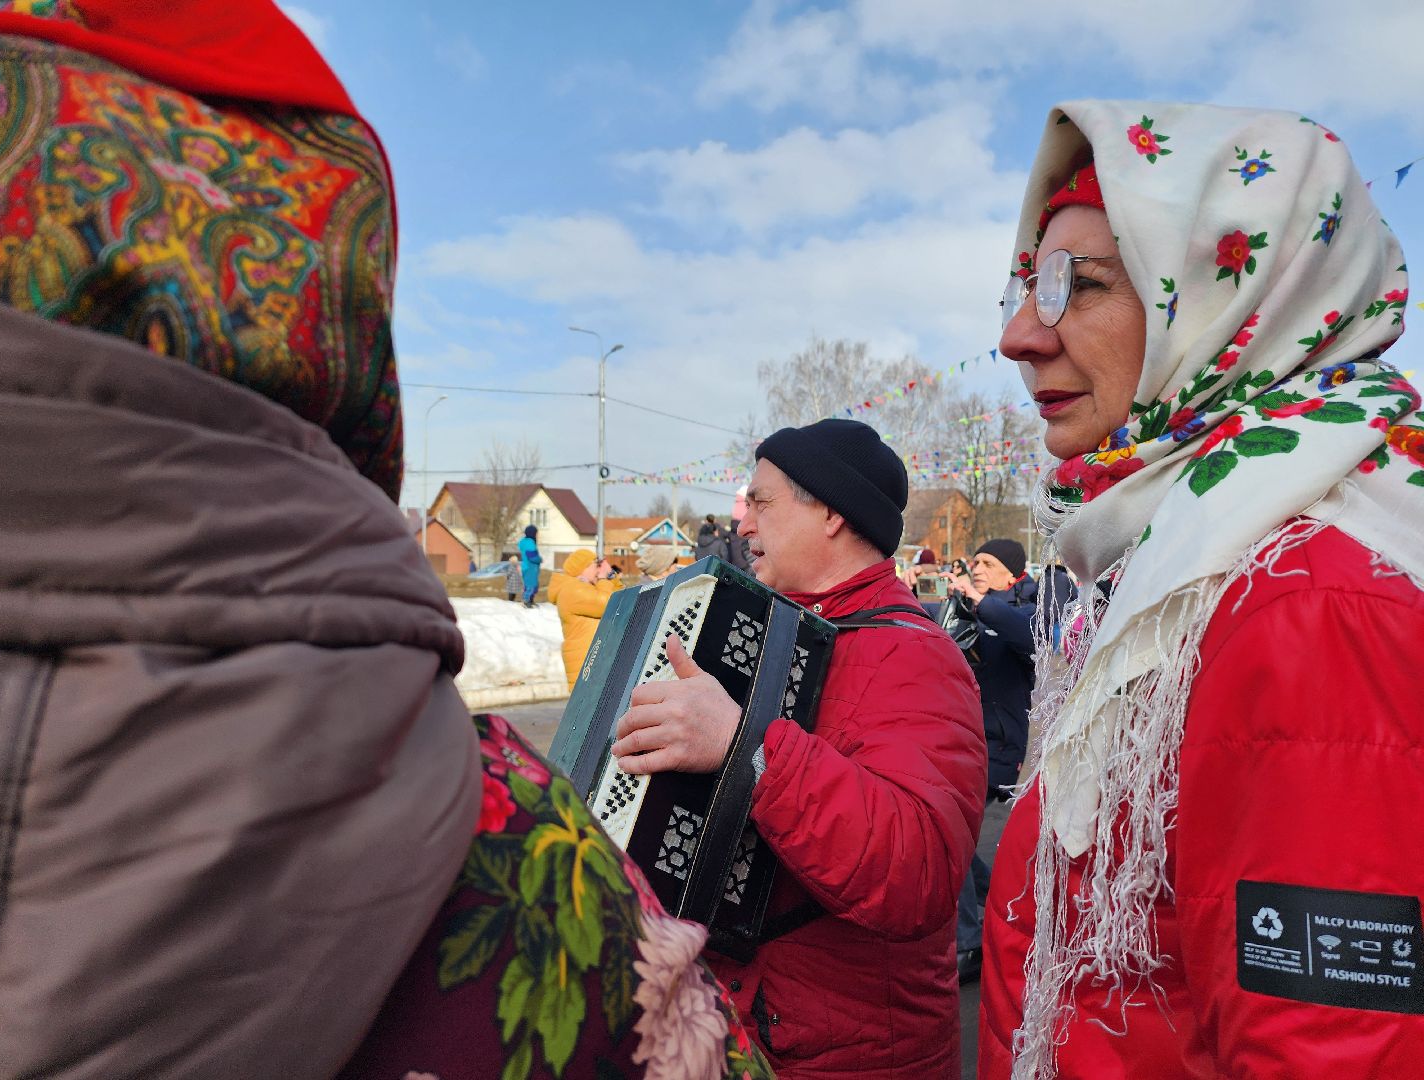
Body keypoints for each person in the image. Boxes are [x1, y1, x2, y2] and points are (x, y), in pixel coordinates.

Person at [0, 7, 769, 1077]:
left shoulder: (881, 642)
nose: (750, 522)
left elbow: (903, 853)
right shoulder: (522, 849)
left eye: (768, 501)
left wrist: (759, 755)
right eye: (751, 500)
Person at [979, 101, 1424, 1080]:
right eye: (1028, 287)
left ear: (1231, 299)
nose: (1019, 335)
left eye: (1076, 288)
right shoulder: (1191, 558)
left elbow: (1336, 1052)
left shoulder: (1306, 596)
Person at [610, 419, 987, 1078]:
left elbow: (918, 870)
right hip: (753, 1027)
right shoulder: (768, 632)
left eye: (761, 502)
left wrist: (742, 746)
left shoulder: (915, 654)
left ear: (832, 512)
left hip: (852, 1056)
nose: (744, 526)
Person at [940, 539, 1068, 985]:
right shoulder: (972, 608)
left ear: (1011, 574)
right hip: (961, 741)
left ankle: (973, 940)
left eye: (988, 563)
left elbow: (1031, 638)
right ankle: (999, 895)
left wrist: (981, 605)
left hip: (1000, 748)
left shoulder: (1026, 607)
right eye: (974, 560)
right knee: (952, 838)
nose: (977, 567)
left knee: (944, 833)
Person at [548, 548, 623, 690]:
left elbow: (621, 600)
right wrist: (603, 579)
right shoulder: (572, 590)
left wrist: (611, 577)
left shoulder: (587, 588)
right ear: (583, 568)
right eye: (596, 564)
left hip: (596, 663)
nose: (599, 569)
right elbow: (607, 605)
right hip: (587, 664)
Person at [519, 523, 543, 607]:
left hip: (528, 567)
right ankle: (526, 600)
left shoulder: (526, 542)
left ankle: (530, 600)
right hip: (530, 568)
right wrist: (539, 559)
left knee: (532, 585)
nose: (537, 535)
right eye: (536, 533)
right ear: (532, 533)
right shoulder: (529, 543)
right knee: (531, 585)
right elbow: (532, 557)